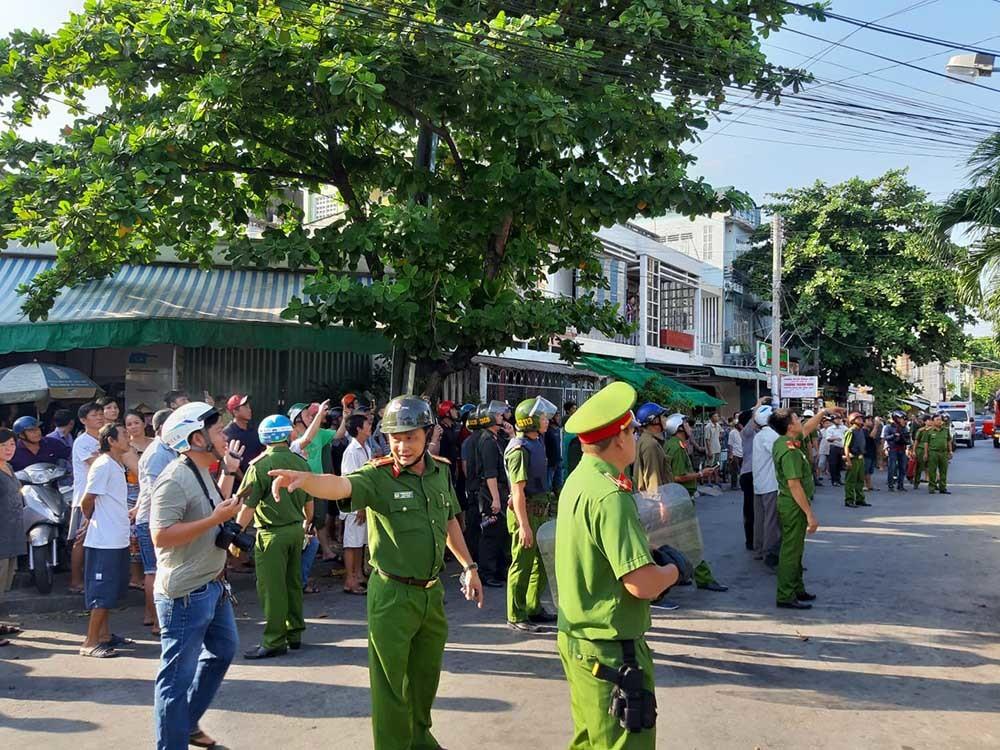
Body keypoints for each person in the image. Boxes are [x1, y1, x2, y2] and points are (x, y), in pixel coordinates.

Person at [268, 395, 484, 750]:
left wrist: (469, 566)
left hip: (431, 595)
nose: (402, 445)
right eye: (395, 437)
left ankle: (419, 739)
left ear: (428, 434)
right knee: (389, 684)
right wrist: (306, 479)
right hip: (393, 595)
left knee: (424, 679)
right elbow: (342, 486)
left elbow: (449, 522)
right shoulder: (378, 475)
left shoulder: (440, 471)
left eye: (411, 437)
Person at [556, 381, 690, 750]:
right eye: (631, 430)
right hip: (612, 649)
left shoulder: (580, 480)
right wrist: (675, 570)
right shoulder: (611, 495)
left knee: (589, 739)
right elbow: (641, 584)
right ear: (619, 438)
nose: (634, 437)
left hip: (579, 639)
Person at [150, 402, 243, 750]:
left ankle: (186, 724)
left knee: (223, 649)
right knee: (175, 680)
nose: (225, 435)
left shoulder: (202, 469)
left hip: (213, 585)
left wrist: (230, 473)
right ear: (195, 437)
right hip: (185, 594)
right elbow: (161, 534)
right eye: (218, 430)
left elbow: (213, 502)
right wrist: (213, 520)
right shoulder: (173, 479)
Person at [232, 415, 313, 659]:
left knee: (272, 589)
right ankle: (294, 633)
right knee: (293, 583)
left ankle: (274, 640)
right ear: (288, 435)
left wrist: (235, 535)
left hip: (271, 535)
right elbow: (310, 501)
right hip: (297, 530)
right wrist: (307, 524)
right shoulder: (301, 463)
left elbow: (247, 506)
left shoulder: (259, 466)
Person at [505, 396, 559, 633]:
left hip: (540, 510)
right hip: (525, 512)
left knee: (542, 562)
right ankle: (516, 614)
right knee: (522, 564)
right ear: (531, 421)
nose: (547, 420)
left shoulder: (537, 441)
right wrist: (524, 525)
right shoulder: (519, 450)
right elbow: (517, 491)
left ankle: (533, 606)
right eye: (543, 417)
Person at [80, 423, 133, 658]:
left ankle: (104, 635)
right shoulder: (102, 465)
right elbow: (87, 500)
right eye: (123, 434)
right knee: (101, 593)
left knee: (110, 591)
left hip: (117, 538)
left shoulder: (116, 465)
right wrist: (93, 520)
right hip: (103, 541)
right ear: (110, 440)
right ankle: (89, 643)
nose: (128, 437)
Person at [770, 407, 830, 610]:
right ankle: (785, 594)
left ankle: (797, 588)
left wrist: (823, 413)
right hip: (793, 505)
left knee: (796, 549)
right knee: (791, 551)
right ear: (789, 426)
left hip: (791, 503)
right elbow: (794, 485)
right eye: (796, 418)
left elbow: (806, 428)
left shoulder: (786, 441)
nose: (800, 421)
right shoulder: (790, 451)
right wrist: (810, 514)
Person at [662, 413, 729, 592]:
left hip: (676, 498)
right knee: (691, 542)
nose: (690, 426)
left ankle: (679, 574)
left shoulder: (674, 445)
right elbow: (677, 476)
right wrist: (701, 474)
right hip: (680, 499)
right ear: (679, 428)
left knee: (675, 541)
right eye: (686, 424)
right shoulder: (676, 447)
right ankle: (703, 577)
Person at [135, 409, 178, 638]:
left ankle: (152, 616)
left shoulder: (168, 449)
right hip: (152, 519)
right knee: (154, 571)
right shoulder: (157, 453)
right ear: (162, 428)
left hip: (157, 517)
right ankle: (156, 622)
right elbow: (155, 491)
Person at [68, 402, 105, 594]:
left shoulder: (102, 438)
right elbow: (96, 463)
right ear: (83, 420)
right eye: (94, 415)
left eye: (100, 414)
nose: (99, 417)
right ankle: (75, 581)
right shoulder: (82, 442)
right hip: (85, 496)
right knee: (81, 539)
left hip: (102, 496)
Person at [477, 400, 513, 589]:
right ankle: (487, 573)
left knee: (501, 533)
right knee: (490, 534)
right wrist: (496, 500)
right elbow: (490, 473)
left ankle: (499, 570)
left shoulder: (496, 438)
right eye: (498, 415)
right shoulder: (487, 441)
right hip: (491, 493)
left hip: (499, 489)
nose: (502, 417)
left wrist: (512, 434)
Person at [339, 410, 373, 595]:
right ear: (359, 428)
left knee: (361, 540)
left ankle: (358, 575)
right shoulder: (352, 451)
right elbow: (353, 480)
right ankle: (350, 579)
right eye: (367, 424)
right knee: (352, 542)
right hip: (353, 504)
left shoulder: (365, 447)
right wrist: (359, 505)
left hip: (363, 502)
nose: (370, 426)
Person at [0, 428, 23, 647]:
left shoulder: (9, 467)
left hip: (11, 535)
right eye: (4, 445)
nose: (9, 449)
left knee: (4, 584)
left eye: (12, 445)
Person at [752, 405, 781, 568]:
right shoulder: (771, 435)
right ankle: (769, 552)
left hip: (760, 483)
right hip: (770, 483)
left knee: (761, 518)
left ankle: (759, 549)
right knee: (771, 520)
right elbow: (778, 455)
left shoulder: (760, 435)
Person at [223, 394, 263, 472]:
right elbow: (229, 463)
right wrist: (245, 482)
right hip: (238, 483)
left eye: (249, 407)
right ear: (235, 412)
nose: (249, 410)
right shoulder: (228, 434)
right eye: (245, 407)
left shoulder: (254, 430)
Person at [843, 413, 870, 508]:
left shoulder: (861, 431)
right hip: (853, 458)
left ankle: (860, 499)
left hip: (860, 458)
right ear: (853, 420)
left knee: (860, 480)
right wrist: (848, 460)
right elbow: (846, 446)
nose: (861, 420)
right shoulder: (851, 431)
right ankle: (849, 500)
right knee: (851, 480)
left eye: (861, 418)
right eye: (858, 418)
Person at [924, 413, 954, 495]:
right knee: (932, 471)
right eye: (937, 420)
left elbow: (949, 441)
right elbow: (926, 443)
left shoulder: (945, 430)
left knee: (943, 471)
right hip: (933, 453)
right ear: (933, 421)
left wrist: (950, 451)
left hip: (943, 453)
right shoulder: (929, 431)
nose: (939, 421)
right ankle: (932, 488)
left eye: (940, 420)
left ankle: (943, 488)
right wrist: (926, 454)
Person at [882, 411, 910, 492]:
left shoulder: (904, 427)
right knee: (892, 467)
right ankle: (890, 485)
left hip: (902, 449)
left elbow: (908, 438)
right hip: (893, 449)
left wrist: (907, 443)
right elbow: (886, 437)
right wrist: (894, 435)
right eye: (901, 418)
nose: (903, 420)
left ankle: (900, 485)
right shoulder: (889, 427)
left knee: (903, 468)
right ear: (896, 418)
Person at [544, 409, 565, 495]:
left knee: (558, 483)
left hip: (558, 460)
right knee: (548, 484)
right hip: (550, 462)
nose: (559, 418)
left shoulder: (557, 429)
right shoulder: (548, 431)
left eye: (559, 416)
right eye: (557, 416)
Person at [862, 416, 881, 493]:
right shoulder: (863, 430)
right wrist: (876, 426)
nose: (871, 422)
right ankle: (863, 485)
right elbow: (871, 436)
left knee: (869, 471)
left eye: (871, 420)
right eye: (868, 420)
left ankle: (869, 485)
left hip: (871, 452)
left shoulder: (869, 430)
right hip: (866, 452)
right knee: (865, 470)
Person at [825, 415, 847, 486]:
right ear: (833, 420)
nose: (838, 420)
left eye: (839, 419)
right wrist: (835, 438)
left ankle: (838, 479)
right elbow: (828, 438)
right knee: (833, 464)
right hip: (834, 447)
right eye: (836, 419)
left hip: (842, 447)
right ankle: (834, 480)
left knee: (840, 464)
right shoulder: (830, 429)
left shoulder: (844, 428)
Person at [704, 412, 723, 487]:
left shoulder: (718, 425)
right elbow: (707, 440)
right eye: (715, 416)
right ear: (711, 418)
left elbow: (721, 434)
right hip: (711, 449)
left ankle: (716, 480)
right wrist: (709, 451)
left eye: (717, 416)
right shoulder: (708, 427)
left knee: (717, 465)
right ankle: (709, 482)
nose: (717, 417)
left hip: (717, 448)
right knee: (710, 466)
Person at [911, 413, 930, 489]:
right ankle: (916, 482)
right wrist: (914, 451)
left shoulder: (934, 430)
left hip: (931, 450)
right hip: (921, 450)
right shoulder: (921, 430)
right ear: (925, 422)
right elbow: (916, 441)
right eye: (928, 420)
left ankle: (933, 484)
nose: (930, 422)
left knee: (931, 467)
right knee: (919, 467)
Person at [727, 413, 744, 491]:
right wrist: (731, 455)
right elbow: (730, 444)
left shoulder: (743, 432)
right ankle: (734, 485)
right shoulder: (732, 432)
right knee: (734, 471)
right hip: (735, 454)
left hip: (743, 453)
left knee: (742, 471)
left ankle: (741, 484)